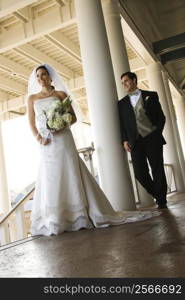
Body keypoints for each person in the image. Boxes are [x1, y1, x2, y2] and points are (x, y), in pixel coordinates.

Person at [27, 64, 160, 236]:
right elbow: (31, 121)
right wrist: (39, 137)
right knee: (50, 175)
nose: (41, 78)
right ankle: (54, 218)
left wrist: (60, 124)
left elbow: (73, 118)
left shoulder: (61, 95)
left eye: (44, 74)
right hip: (46, 142)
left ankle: (78, 216)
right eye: (38, 75)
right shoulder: (32, 98)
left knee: (69, 170)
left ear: (50, 77)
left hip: (63, 138)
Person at [118, 71, 168, 209]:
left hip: (152, 138)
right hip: (135, 141)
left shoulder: (151, 96)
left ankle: (162, 200)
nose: (125, 85)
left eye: (127, 81)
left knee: (157, 169)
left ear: (134, 80)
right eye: (122, 83)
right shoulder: (121, 104)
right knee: (140, 173)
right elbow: (122, 124)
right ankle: (158, 194)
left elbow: (161, 117)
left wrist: (156, 133)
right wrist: (124, 140)